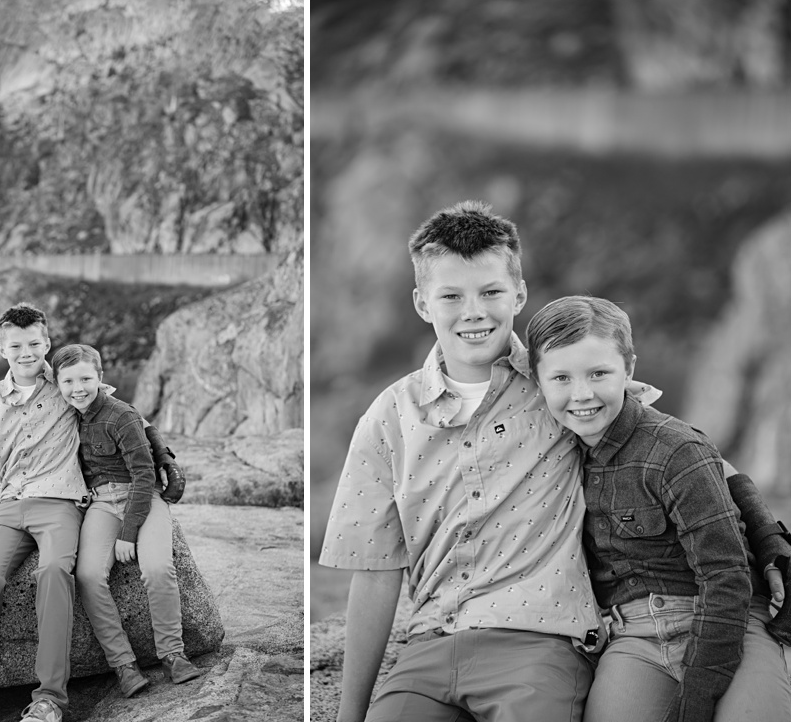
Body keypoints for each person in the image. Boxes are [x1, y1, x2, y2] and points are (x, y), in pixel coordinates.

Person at [318, 200, 789, 722]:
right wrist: (348, 716)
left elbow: (687, 452)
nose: (473, 311)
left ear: (518, 293)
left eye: (491, 292)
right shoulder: (389, 417)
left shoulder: (561, 387)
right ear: (422, 303)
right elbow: (375, 569)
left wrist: (770, 541)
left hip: (542, 640)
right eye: (451, 295)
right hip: (435, 639)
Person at [526, 295, 791, 721]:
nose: (582, 394)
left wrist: (697, 698)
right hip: (635, 634)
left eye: (599, 373)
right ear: (536, 381)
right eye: (561, 378)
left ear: (628, 369)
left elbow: (725, 576)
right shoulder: (547, 448)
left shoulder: (672, 448)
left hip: (727, 617)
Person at [0, 303, 87, 723]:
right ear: (3, 348)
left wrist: (157, 453)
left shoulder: (66, 385)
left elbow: (113, 408)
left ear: (47, 342)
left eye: (34, 343)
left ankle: (49, 700)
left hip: (60, 504)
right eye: (16, 345)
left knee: (54, 573)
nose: (26, 352)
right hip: (8, 508)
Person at [51, 343, 201, 698]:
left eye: (86, 378)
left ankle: (173, 655)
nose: (78, 388)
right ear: (57, 384)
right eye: (69, 381)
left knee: (158, 569)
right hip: (102, 502)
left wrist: (128, 534)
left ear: (101, 379)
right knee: (87, 576)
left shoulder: (121, 415)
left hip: (141, 495)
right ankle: (123, 665)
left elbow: (145, 474)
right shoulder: (67, 413)